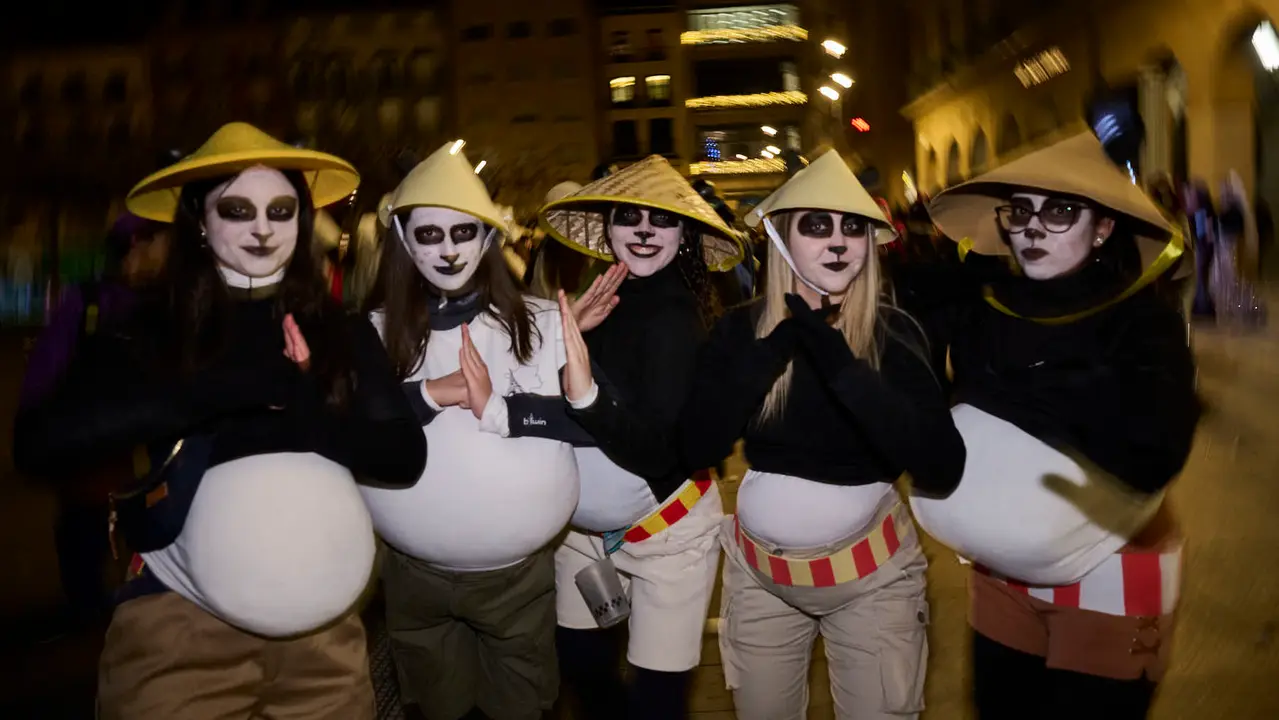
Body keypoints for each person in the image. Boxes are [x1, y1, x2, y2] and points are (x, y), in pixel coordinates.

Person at [13, 122, 426, 720]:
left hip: (327, 653)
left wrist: (313, 413)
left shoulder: (342, 329)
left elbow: (402, 455)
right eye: (237, 209)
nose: (262, 228)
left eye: (281, 210)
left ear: (302, 222)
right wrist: (209, 392)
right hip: (180, 639)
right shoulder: (151, 328)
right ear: (199, 224)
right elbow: (41, 444)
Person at [911, 132, 1200, 718]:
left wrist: (1043, 389)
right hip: (999, 579)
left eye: (1060, 211)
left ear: (1103, 227)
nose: (1035, 228)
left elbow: (1155, 452)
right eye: (1020, 211)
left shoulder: (1142, 322)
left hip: (1111, 572)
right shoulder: (982, 308)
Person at [680, 150, 965, 719]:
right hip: (761, 581)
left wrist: (843, 367)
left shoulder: (896, 333)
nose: (838, 242)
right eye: (817, 225)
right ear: (783, 239)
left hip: (874, 584)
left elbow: (941, 465)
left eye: (852, 227)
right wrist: (770, 356)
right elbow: (695, 447)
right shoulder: (739, 330)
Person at [360, 142, 584, 720]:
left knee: (520, 706)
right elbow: (351, 430)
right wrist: (432, 394)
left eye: (463, 233)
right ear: (405, 241)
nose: (448, 250)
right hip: (413, 578)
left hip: (517, 581)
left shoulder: (540, 322)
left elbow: (590, 423)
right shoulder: (372, 332)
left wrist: (505, 408)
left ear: (488, 238)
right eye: (429, 235)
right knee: (436, 708)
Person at [538, 155, 745, 717]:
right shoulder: (598, 295)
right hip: (582, 538)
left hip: (668, 539)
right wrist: (564, 339)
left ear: (684, 235)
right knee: (580, 659)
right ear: (607, 227)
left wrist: (586, 398)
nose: (645, 231)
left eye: (662, 220)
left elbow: (658, 450)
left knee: (658, 698)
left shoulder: (678, 318)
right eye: (628, 217)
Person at [20, 212, 171, 633]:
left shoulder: (163, 304)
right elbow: (45, 373)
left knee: (138, 524)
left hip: (137, 446)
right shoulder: (87, 301)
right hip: (93, 448)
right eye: (158, 242)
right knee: (86, 530)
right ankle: (92, 614)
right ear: (136, 246)